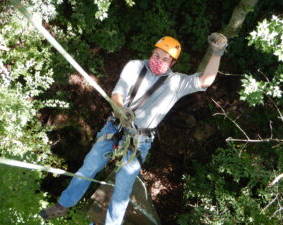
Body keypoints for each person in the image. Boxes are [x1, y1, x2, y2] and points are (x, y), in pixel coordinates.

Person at [39, 33, 227, 225]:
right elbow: (118, 93)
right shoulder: (135, 66)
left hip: (140, 139)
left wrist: (217, 53)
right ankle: (64, 205)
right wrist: (121, 111)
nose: (159, 60)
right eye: (157, 55)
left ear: (171, 63)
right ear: (152, 52)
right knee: (91, 164)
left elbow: (205, 81)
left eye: (165, 58)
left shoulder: (176, 82)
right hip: (116, 126)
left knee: (123, 184)